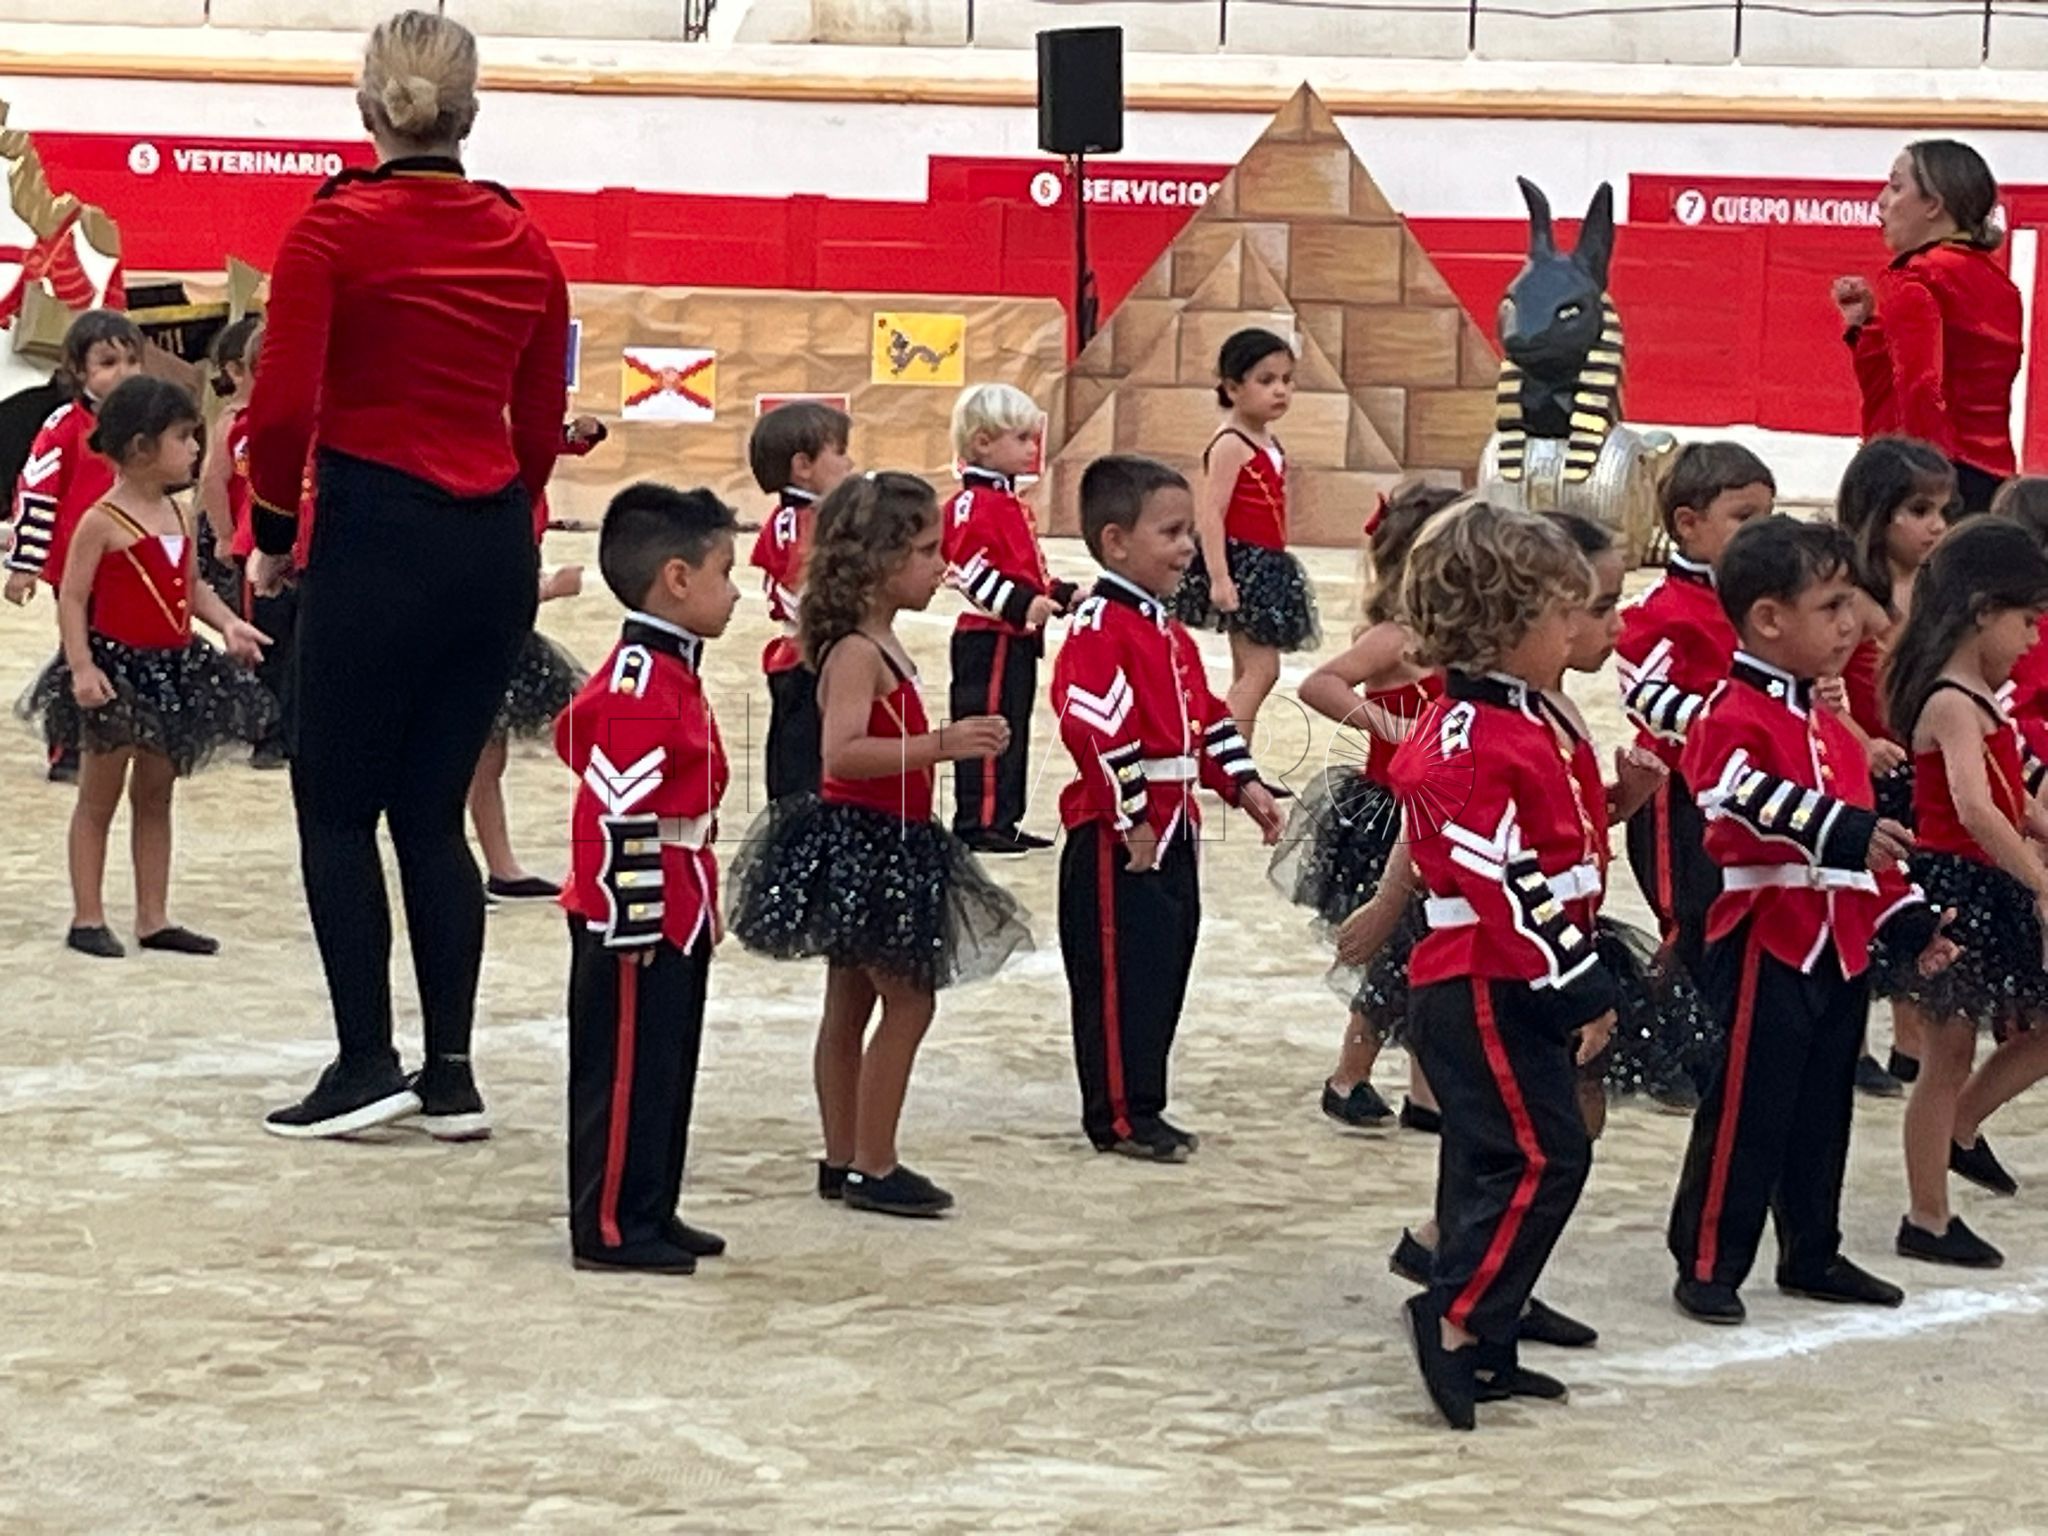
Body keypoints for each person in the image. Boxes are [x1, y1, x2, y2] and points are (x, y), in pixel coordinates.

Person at [251, 12, 571, 1140]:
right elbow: (537, 421)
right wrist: (509, 515)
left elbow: (279, 408)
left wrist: (273, 526)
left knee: (336, 808)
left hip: (376, 529)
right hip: (490, 538)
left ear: (365, 109)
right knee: (433, 816)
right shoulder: (523, 239)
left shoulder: (332, 231)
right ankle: (449, 1073)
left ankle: (363, 1061)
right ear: (469, 114)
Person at [1667, 516, 1952, 1327]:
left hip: (1840, 940)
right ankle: (1709, 1260)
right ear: (1768, 618)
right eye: (1831, 606)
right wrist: (1843, 829)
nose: (1851, 623)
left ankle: (1812, 1250)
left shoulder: (1831, 727)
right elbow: (1731, 795)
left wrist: (1911, 921)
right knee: (1747, 1105)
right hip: (1767, 933)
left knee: (1824, 1106)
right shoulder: (1728, 711)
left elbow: (1870, 851)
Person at [728, 472, 1032, 1218]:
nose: (941, 566)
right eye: (926, 551)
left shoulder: (875, 642)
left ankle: (844, 1157)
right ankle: (873, 1162)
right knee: (909, 1002)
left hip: (880, 838)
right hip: (867, 840)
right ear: (879, 561)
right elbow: (841, 753)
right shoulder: (858, 651)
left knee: (851, 1002)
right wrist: (944, 744)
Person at [1387, 501, 1618, 1433]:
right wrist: (1579, 988)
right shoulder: (1472, 734)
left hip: (1512, 968)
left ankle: (1489, 1342)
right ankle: (1455, 1318)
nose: (1574, 629)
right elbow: (1504, 881)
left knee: (1501, 1158)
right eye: (1562, 613)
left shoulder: (1515, 718)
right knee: (1543, 1156)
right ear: (1506, 622)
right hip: (1489, 976)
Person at [1051, 455, 1285, 1162]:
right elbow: (1095, 728)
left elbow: (1207, 720)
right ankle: (1119, 1117)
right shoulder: (1099, 626)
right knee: (1118, 982)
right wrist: (1133, 819)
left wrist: (1246, 786)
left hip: (1176, 827)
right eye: (1172, 532)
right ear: (1116, 541)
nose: (1188, 547)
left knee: (1162, 972)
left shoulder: (1167, 630)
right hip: (1122, 838)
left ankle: (1145, 1103)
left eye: (1190, 532)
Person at [556, 483, 740, 1274]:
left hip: (677, 890)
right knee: (626, 1069)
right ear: (677, 579)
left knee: (665, 1064)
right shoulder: (640, 680)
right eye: (724, 572)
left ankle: (650, 1205)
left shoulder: (669, 668)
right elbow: (617, 806)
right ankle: (609, 1226)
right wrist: (631, 916)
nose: (736, 591)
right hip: (635, 903)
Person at [23, 376, 272, 958]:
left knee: (156, 795)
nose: (195, 447)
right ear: (140, 448)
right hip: (116, 672)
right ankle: (88, 916)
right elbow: (73, 598)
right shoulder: (101, 520)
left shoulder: (179, 514)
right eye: (183, 437)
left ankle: (152, 917)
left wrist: (228, 623)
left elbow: (192, 587)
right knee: (98, 797)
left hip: (172, 669)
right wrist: (81, 667)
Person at [1877, 520, 2048, 1269]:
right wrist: (2040, 880)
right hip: (1959, 891)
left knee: (1979, 1043)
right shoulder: (1951, 699)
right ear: (1983, 611)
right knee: (1946, 1053)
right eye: (2027, 622)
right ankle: (1928, 1214)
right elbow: (1975, 809)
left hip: (1987, 884)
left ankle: (1962, 1129)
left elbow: (2012, 799)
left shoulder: (1978, 695)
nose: (2033, 640)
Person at [1269, 483, 1459, 1130]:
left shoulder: (1453, 637)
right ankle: (1349, 1077)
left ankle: (1422, 1092)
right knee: (1399, 951)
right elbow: (1318, 683)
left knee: (1424, 949)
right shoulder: (1394, 637)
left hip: (1439, 811)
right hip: (1392, 814)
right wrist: (1392, 726)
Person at [1616, 442, 1775, 984]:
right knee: (1690, 927)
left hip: (1748, 792)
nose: (1761, 532)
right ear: (1688, 523)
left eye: (1767, 516)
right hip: (1676, 795)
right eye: (1744, 517)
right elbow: (1641, 695)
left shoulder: (1761, 603)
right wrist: (1728, 723)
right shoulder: (1661, 609)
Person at [1829, 436, 1959, 1094]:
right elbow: (1820, 691)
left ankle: (1910, 1044)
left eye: (1943, 511)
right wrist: (1860, 741)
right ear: (1878, 513)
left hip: (1915, 771)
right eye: (1920, 510)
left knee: (1917, 901)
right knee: (1859, 905)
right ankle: (1852, 1044)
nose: (1937, 525)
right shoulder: (1849, 595)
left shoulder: (1937, 590)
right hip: (1863, 773)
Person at [1835, 140, 2021, 514]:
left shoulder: (1918, 277)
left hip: (1935, 474)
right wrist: (1867, 327)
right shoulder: (1998, 282)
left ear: (1933, 204)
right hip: (1993, 474)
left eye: (1896, 187)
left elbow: (1919, 387)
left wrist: (1924, 486)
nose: (1881, 200)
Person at [470, 415, 607, 905]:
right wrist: (549, 588)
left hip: (507, 632)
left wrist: (582, 433)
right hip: (489, 631)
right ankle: (498, 866)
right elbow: (478, 585)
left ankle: (502, 865)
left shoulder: (509, 453)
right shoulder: (483, 472)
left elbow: (552, 437)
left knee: (490, 754)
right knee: (485, 753)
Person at [6, 310, 146, 783]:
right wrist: (25, 563)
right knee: (80, 650)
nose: (123, 372)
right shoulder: (64, 425)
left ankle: (115, 737)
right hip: (77, 570)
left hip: (133, 564)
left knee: (127, 651)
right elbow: (36, 491)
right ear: (78, 371)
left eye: (132, 360)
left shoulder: (150, 424)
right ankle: (67, 747)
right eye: (108, 362)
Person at [943, 383, 1077, 855]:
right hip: (988, 637)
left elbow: (1026, 570)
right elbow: (966, 570)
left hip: (1014, 636)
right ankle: (978, 821)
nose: (1031, 449)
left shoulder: (1008, 502)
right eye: (1021, 439)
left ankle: (1003, 816)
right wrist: (1022, 605)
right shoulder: (973, 504)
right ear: (982, 442)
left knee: (1013, 729)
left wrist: (1063, 594)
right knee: (987, 726)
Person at [1173, 327, 1319, 753]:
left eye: (1287, 380)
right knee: (1262, 671)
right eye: (1266, 380)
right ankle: (1222, 756)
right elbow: (1211, 514)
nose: (1280, 390)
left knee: (1247, 671)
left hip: (1267, 564)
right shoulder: (1230, 444)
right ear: (1233, 388)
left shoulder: (1266, 440)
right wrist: (1220, 577)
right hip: (1243, 566)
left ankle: (1238, 761)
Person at [198, 315, 296, 771]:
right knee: (265, 640)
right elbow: (212, 482)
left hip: (307, 545)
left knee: (303, 642)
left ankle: (295, 727)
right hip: (256, 544)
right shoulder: (236, 424)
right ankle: (266, 732)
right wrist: (222, 534)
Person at [747, 399, 854, 803]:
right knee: (803, 765)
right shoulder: (802, 523)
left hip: (806, 651)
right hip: (808, 655)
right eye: (839, 452)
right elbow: (799, 589)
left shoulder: (802, 518)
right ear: (803, 466)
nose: (849, 463)